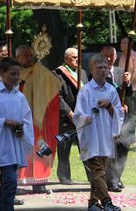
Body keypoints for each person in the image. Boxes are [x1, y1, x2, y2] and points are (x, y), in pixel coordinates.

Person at [0, 57, 34, 211]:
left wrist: (22, 129)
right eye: (13, 74)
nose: (16, 78)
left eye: (18, 74)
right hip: (1, 145)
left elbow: (27, 120)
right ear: (2, 73)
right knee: (10, 180)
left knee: (10, 182)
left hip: (15, 144)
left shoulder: (20, 97)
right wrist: (5, 122)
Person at [74, 54, 124, 211]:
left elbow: (118, 112)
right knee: (97, 171)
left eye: (104, 68)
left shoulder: (111, 90)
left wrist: (110, 106)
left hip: (105, 134)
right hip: (91, 135)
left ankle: (93, 203)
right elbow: (77, 114)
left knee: (100, 170)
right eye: (99, 68)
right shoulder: (86, 91)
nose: (103, 71)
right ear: (91, 70)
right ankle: (106, 202)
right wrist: (84, 117)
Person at [16, 45, 61, 194]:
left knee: (40, 147)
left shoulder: (41, 72)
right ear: (17, 58)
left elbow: (53, 92)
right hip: (22, 118)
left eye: (30, 55)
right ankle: (19, 182)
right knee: (21, 149)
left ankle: (39, 182)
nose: (29, 58)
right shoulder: (14, 74)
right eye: (25, 55)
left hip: (40, 119)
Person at [52, 47, 90, 185]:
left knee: (86, 147)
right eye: (74, 58)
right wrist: (69, 113)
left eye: (78, 57)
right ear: (66, 59)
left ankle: (92, 176)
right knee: (64, 148)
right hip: (66, 116)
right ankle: (64, 176)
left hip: (82, 116)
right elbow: (57, 96)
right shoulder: (57, 73)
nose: (77, 60)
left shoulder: (83, 72)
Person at [101, 45, 132, 192]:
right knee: (111, 149)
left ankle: (118, 177)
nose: (109, 58)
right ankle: (111, 180)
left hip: (123, 116)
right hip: (107, 116)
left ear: (115, 56)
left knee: (123, 147)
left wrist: (128, 83)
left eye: (111, 55)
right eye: (106, 55)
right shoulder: (97, 73)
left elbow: (130, 93)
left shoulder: (121, 71)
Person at [118, 37, 136, 144]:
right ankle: (132, 136)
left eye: (124, 42)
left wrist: (129, 85)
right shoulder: (122, 57)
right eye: (121, 42)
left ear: (130, 44)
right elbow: (120, 72)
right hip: (126, 88)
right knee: (129, 113)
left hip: (134, 88)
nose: (121, 44)